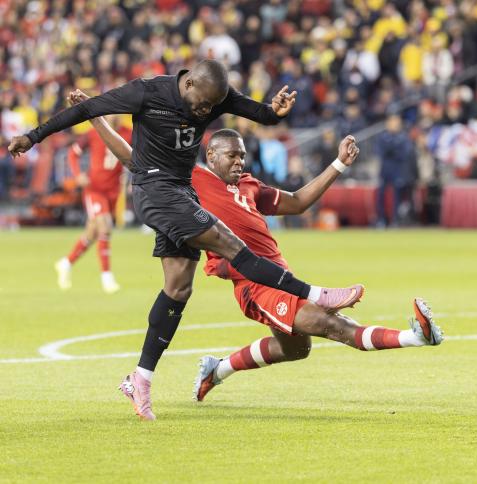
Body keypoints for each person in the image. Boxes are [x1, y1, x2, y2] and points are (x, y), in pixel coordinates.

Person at [10, 61, 364, 421]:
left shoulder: (214, 95)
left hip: (182, 194)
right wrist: (32, 136)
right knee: (229, 241)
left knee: (178, 288)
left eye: (212, 106)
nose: (205, 112)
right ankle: (316, 294)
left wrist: (274, 111)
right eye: (201, 104)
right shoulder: (147, 92)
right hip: (154, 190)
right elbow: (87, 108)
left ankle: (140, 380)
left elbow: (260, 113)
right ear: (188, 82)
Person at [83, 119, 444, 404]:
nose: (239, 162)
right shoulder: (193, 181)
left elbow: (299, 202)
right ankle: (416, 336)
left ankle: (217, 370)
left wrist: (338, 164)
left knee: (296, 349)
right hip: (255, 287)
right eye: (231, 156)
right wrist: (99, 121)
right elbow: (135, 158)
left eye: (242, 156)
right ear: (211, 157)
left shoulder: (251, 187)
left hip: (281, 277)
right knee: (331, 324)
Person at [54, 116, 131, 293]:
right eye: (112, 111)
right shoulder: (93, 132)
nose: (115, 115)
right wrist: (77, 174)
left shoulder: (129, 133)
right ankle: (107, 277)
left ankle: (66, 263)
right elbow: (73, 153)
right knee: (105, 227)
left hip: (113, 192)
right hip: (94, 190)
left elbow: (139, 155)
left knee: (93, 232)